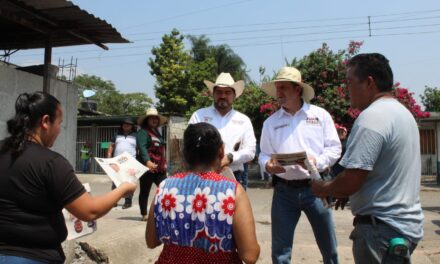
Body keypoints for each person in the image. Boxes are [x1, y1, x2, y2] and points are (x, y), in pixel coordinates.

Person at [311, 53, 424, 264]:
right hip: (402, 227)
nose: (347, 90)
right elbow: (383, 171)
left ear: (369, 82)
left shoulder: (372, 117)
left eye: (350, 82)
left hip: (381, 230)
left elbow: (352, 179)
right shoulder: (402, 113)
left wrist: (325, 188)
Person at [0, 92, 136, 264]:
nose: (59, 130)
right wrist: (123, 188)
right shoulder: (51, 163)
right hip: (34, 257)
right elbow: (90, 211)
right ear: (45, 121)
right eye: (59, 124)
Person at [258, 66, 341, 264]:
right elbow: (263, 154)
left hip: (316, 187)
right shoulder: (270, 123)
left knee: (329, 248)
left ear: (297, 89)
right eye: (277, 89)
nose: (278, 94)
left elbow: (334, 148)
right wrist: (267, 165)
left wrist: (317, 162)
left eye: (283, 88)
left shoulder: (320, 116)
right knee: (280, 252)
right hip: (283, 193)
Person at [146, 122, 260, 264]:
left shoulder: (164, 187)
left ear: (184, 152)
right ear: (221, 151)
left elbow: (151, 241)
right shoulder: (233, 191)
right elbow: (250, 256)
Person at [188, 72, 256, 190]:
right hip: (202, 176)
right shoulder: (198, 115)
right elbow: (189, 144)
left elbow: (250, 151)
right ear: (213, 94)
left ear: (234, 95)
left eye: (227, 92)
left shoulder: (243, 120)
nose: (223, 95)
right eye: (219, 92)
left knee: (233, 208)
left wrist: (230, 157)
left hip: (233, 175)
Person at [137, 108, 167, 221]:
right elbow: (142, 148)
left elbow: (161, 150)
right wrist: (147, 161)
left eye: (156, 118)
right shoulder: (142, 132)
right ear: (147, 120)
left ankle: (165, 211)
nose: (154, 120)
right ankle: (144, 214)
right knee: (145, 191)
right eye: (152, 118)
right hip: (147, 167)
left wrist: (164, 163)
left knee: (166, 187)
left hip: (159, 167)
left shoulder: (157, 133)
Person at [107, 118, 137, 209]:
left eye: (128, 124)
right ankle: (114, 200)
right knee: (115, 181)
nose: (126, 125)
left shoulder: (136, 135)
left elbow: (139, 148)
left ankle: (128, 201)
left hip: (131, 162)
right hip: (117, 162)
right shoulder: (116, 135)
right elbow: (111, 146)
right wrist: (109, 157)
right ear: (122, 125)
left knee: (129, 181)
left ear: (132, 126)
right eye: (124, 124)